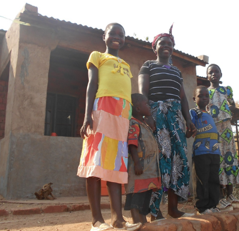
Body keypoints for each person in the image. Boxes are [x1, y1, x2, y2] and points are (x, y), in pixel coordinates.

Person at [78, 23, 141, 231]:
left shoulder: (126, 65)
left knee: (117, 163)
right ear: (103, 37)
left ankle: (118, 219)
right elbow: (91, 85)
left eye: (120, 34)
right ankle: (96, 220)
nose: (116, 37)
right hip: (102, 109)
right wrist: (88, 115)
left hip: (123, 113)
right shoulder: (97, 56)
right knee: (95, 161)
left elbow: (126, 93)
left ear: (124, 39)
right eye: (112, 34)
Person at [138, 25, 197, 220]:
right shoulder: (148, 65)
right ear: (154, 48)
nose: (166, 46)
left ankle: (173, 208)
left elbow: (183, 98)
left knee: (178, 160)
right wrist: (147, 115)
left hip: (175, 118)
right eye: (162, 43)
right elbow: (143, 93)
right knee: (159, 160)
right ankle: (154, 211)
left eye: (170, 44)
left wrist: (188, 119)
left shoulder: (177, 71)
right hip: (157, 115)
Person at [206, 64, 239, 211]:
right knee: (218, 160)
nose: (214, 74)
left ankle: (230, 194)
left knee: (229, 157)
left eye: (216, 72)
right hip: (213, 128)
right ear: (207, 76)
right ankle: (220, 197)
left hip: (227, 129)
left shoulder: (227, 89)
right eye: (211, 72)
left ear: (221, 74)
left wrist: (231, 109)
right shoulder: (205, 92)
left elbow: (233, 105)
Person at [124, 93, 162, 224]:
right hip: (140, 168)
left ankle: (143, 220)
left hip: (149, 169)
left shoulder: (145, 124)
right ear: (138, 108)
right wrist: (137, 163)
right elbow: (132, 144)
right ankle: (136, 220)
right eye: (146, 104)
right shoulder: (134, 124)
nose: (149, 106)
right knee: (136, 194)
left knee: (145, 195)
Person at [186, 86, 221, 215]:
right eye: (201, 96)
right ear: (194, 98)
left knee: (213, 179)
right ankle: (201, 206)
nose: (205, 98)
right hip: (201, 151)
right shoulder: (193, 113)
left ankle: (212, 204)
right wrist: (190, 130)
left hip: (214, 152)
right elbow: (188, 132)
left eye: (207, 95)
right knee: (201, 179)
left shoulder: (209, 114)